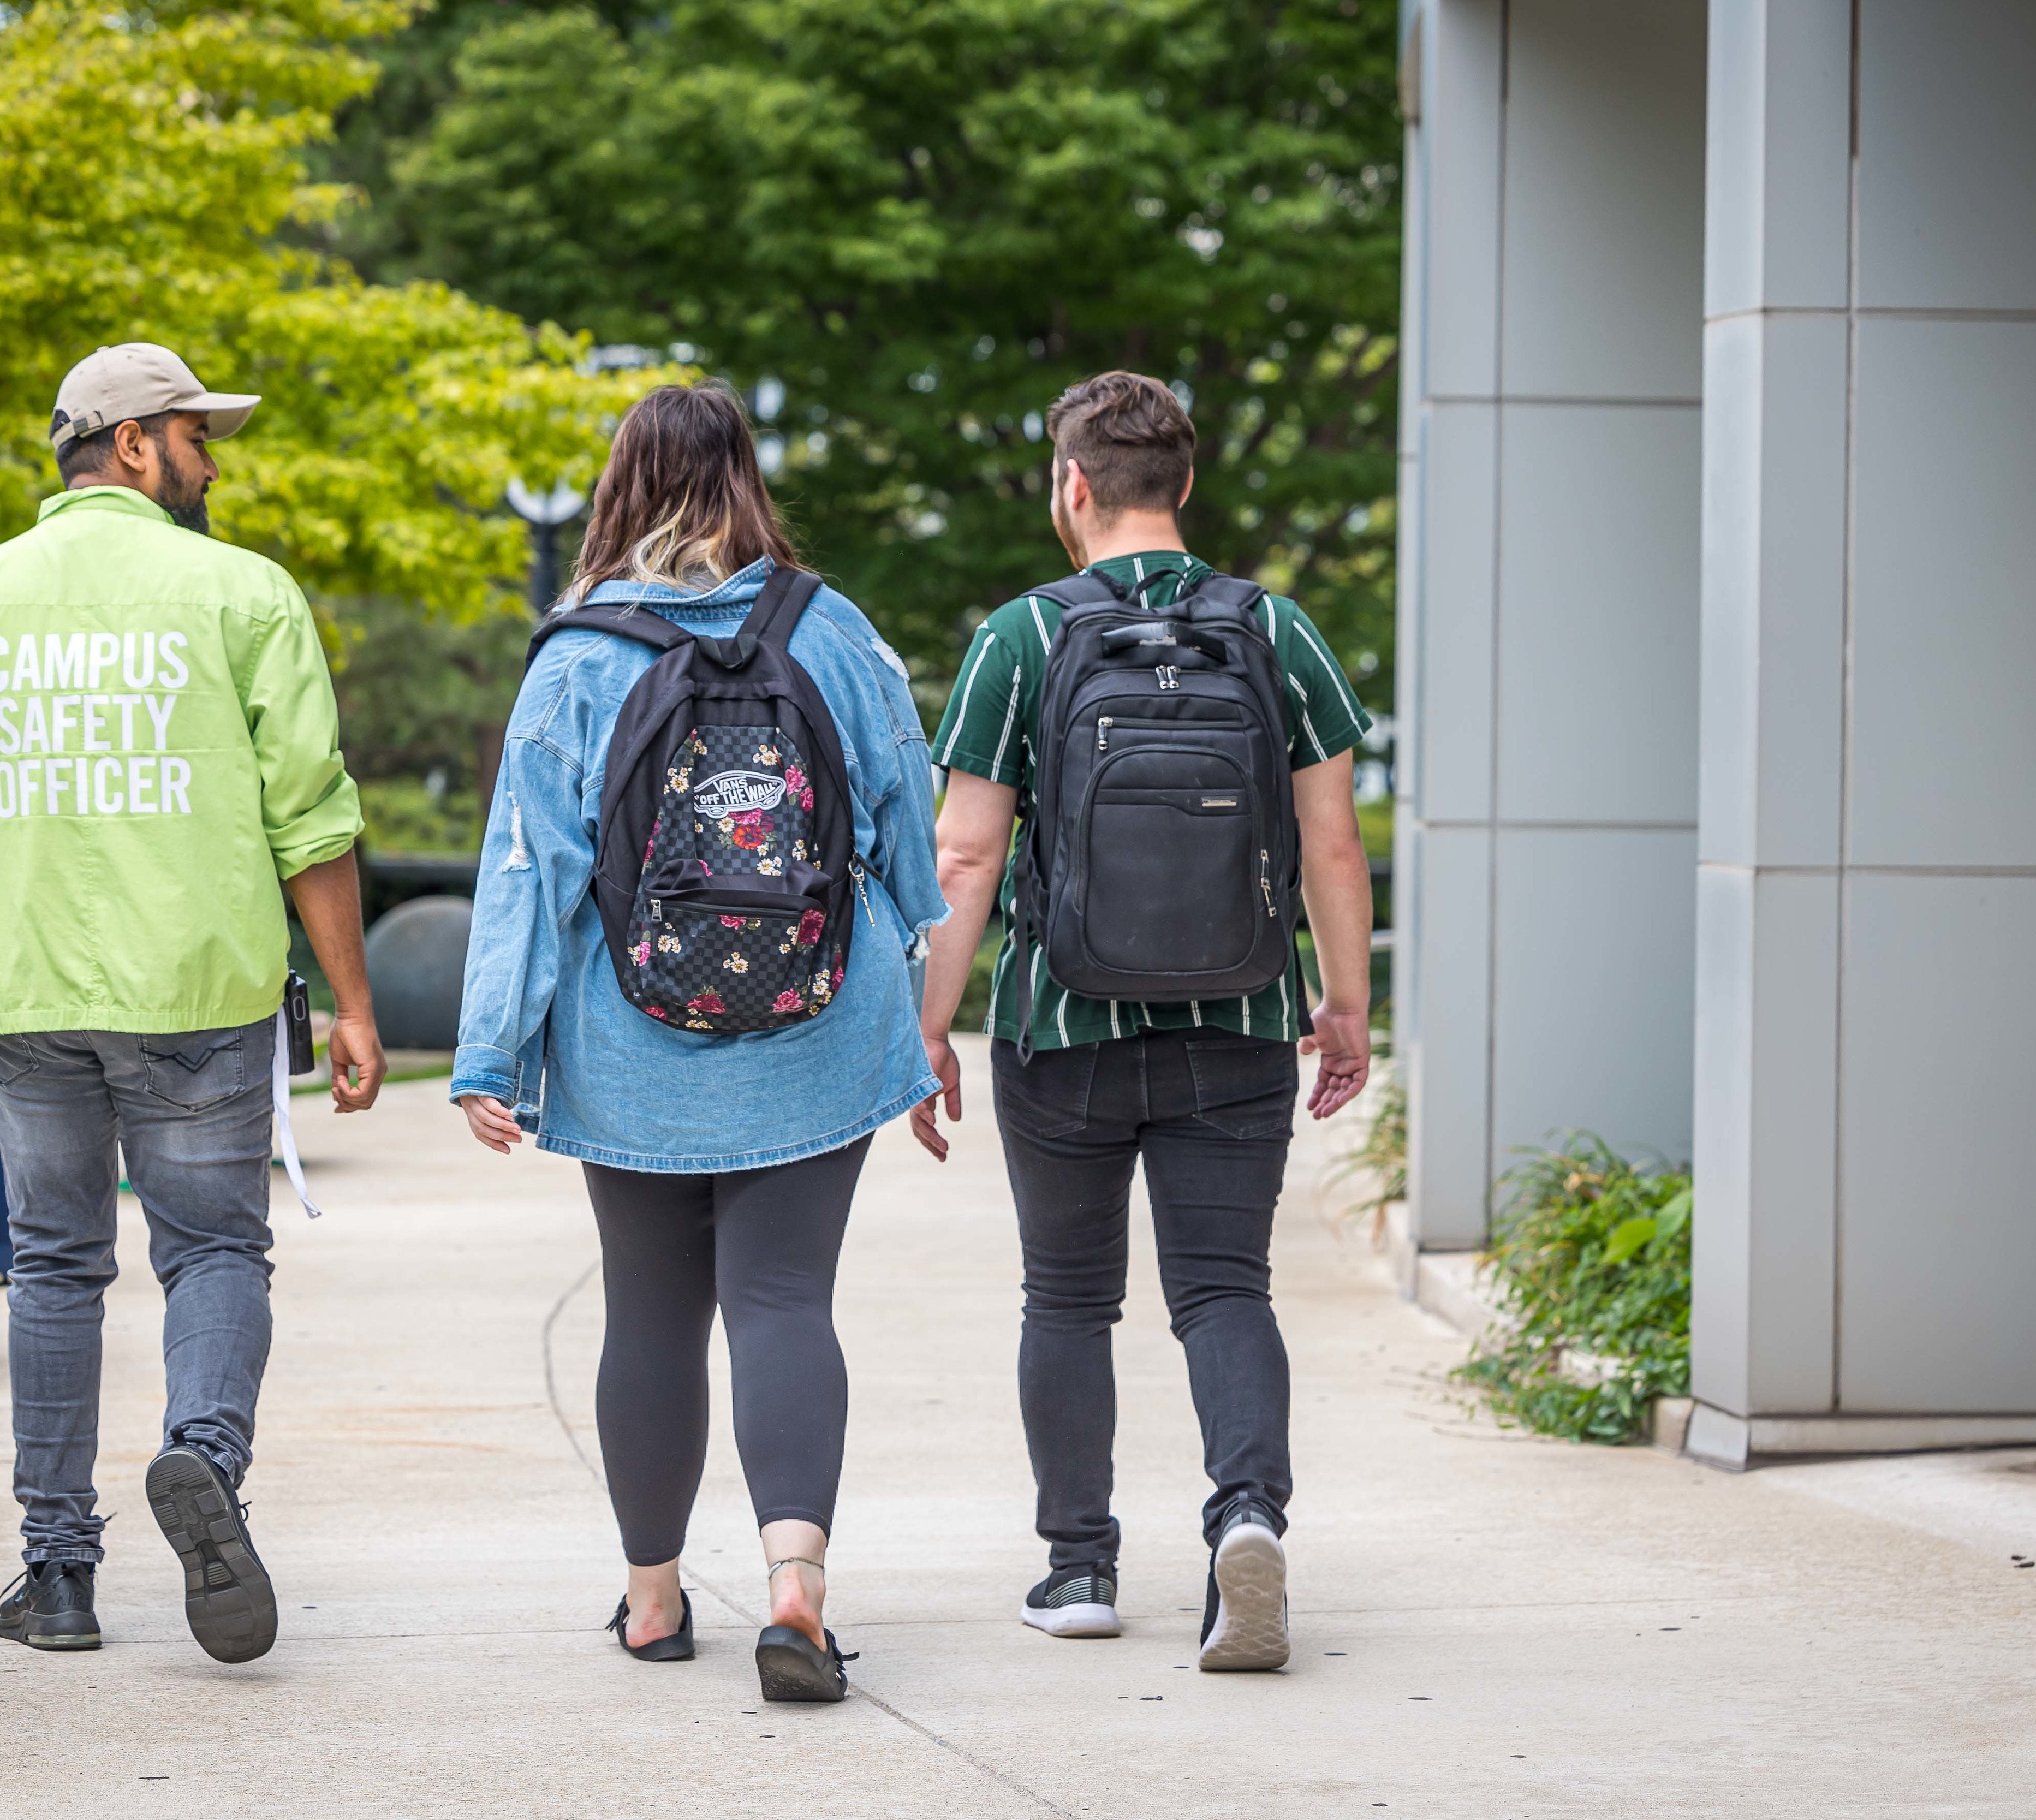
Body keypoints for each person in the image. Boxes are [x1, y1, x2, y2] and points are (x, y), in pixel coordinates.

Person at [0, 341, 385, 1663]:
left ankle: (57, 1574)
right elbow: (311, 822)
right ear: (134, 444)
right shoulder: (247, 596)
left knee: (53, 1264)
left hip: (19, 992)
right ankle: (202, 1456)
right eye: (200, 438)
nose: (214, 464)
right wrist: (358, 1004)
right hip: (197, 989)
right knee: (211, 1249)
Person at [451, 383, 945, 1704]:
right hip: (818, 1024)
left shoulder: (577, 658)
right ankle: (795, 1585)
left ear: (620, 485)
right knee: (785, 1300)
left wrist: (489, 1056)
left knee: (650, 1316)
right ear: (746, 480)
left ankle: (657, 1603)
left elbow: (527, 871)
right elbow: (908, 822)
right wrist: (913, 985)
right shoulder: (833, 630)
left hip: (629, 1040)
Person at [909, 370, 1374, 1672]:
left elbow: (965, 855)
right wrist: (1342, 1006)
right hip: (1238, 1022)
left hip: (1063, 1026)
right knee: (1224, 1287)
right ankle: (1247, 1520)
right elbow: (1332, 845)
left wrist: (931, 1026)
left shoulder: (1023, 637)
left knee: (1065, 1297)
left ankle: (1077, 1568)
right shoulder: (1275, 630)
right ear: (1184, 485)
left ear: (1070, 486)